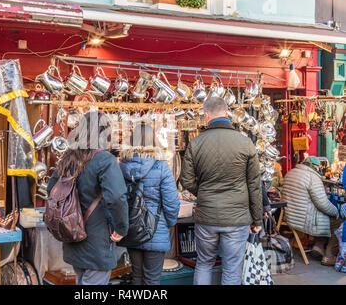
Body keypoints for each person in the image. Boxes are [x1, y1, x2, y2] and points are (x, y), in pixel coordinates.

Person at [180, 96, 263, 285]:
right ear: (227, 114)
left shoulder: (196, 143)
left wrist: (204, 193)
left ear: (206, 115)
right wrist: (257, 219)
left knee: (203, 263)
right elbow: (255, 185)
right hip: (237, 218)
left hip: (207, 216)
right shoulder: (245, 143)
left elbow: (186, 180)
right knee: (232, 268)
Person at [46, 111, 129, 285]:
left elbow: (51, 190)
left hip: (72, 235)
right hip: (96, 240)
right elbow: (116, 197)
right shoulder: (105, 160)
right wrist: (121, 228)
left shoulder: (68, 158)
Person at [118, 123, 180, 285]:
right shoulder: (161, 167)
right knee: (152, 279)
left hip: (131, 228)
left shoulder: (122, 166)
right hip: (156, 228)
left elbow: (118, 198)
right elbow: (171, 202)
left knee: (136, 277)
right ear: (153, 142)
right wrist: (170, 223)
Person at [282, 156, 341, 266]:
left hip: (291, 216)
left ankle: (318, 246)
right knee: (338, 222)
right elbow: (322, 204)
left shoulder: (291, 172)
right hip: (304, 219)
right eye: (318, 167)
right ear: (315, 166)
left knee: (323, 217)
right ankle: (329, 256)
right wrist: (336, 212)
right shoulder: (312, 178)